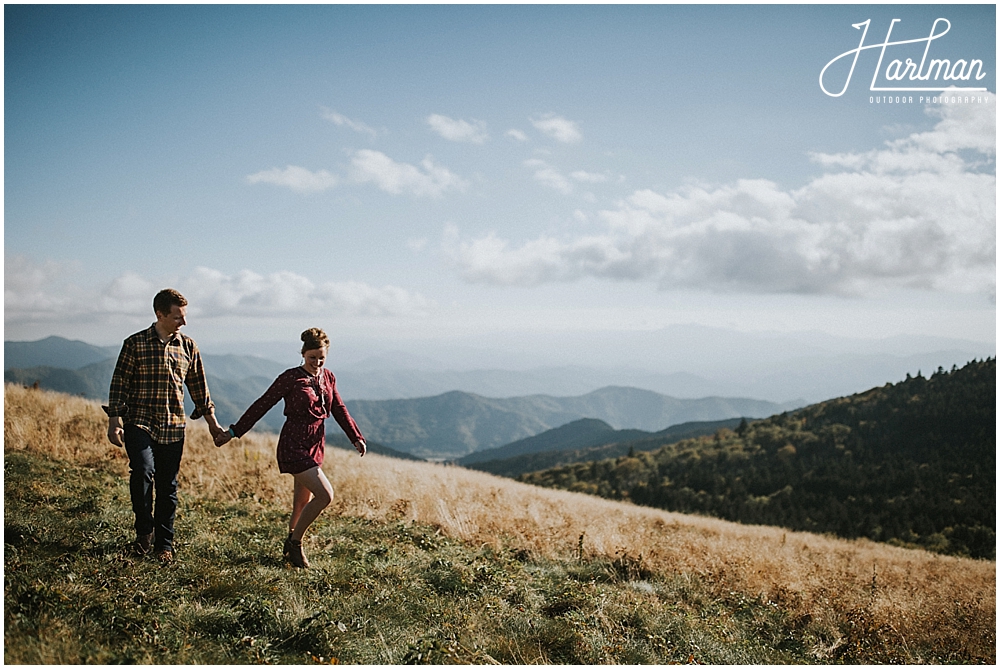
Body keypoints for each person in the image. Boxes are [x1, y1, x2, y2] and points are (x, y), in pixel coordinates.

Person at [214, 327, 366, 568]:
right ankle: (295, 545)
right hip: (293, 443)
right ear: (303, 354)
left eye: (321, 358)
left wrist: (355, 436)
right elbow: (263, 404)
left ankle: (290, 548)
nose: (317, 362)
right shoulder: (290, 377)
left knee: (301, 501)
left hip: (316, 443)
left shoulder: (328, 377)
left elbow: (339, 408)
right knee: (326, 495)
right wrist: (234, 432)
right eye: (312, 357)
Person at [104, 288, 226, 563]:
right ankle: (143, 534)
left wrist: (213, 425)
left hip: (173, 425)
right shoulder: (135, 344)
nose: (183, 323)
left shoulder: (188, 347)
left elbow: (199, 389)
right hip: (139, 421)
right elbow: (119, 384)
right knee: (143, 472)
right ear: (159, 314)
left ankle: (164, 545)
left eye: (184, 317)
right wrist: (114, 422)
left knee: (167, 485)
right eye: (177, 317)